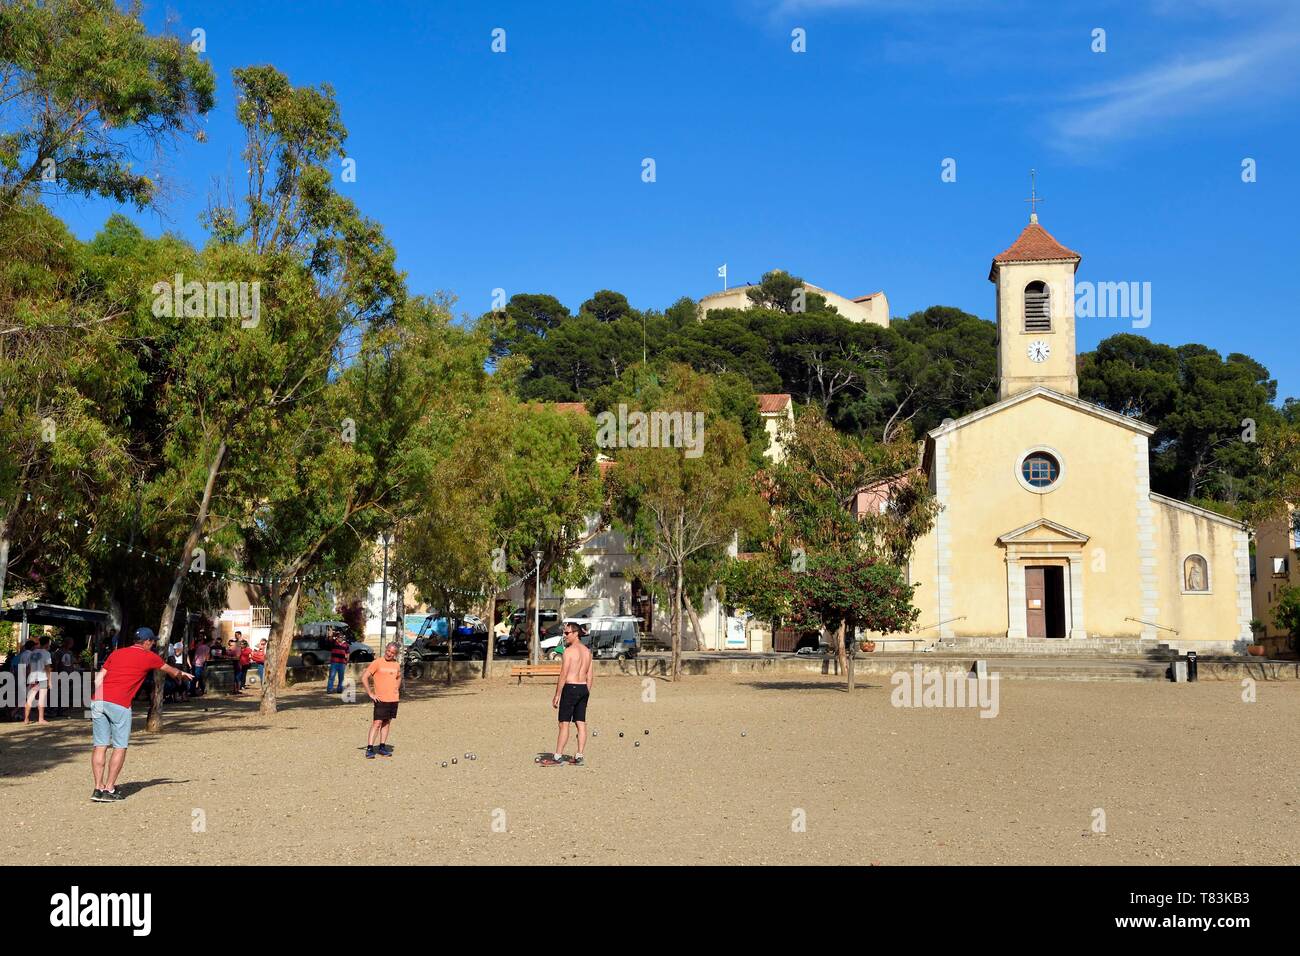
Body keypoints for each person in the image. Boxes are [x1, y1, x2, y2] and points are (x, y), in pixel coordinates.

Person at [90, 627, 193, 802]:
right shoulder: (148, 656)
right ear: (146, 642)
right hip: (120, 703)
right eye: (152, 641)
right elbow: (171, 670)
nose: (153, 644)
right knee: (119, 746)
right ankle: (109, 788)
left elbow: (98, 679)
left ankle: (97, 788)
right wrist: (183, 674)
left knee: (100, 745)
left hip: (98, 700)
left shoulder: (117, 653)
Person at [544, 623, 593, 766]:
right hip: (583, 688)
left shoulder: (569, 652)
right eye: (564, 633)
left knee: (563, 723)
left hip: (570, 688)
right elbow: (590, 676)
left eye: (567, 633)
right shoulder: (587, 652)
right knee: (581, 723)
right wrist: (586, 693)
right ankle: (579, 756)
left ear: (576, 633)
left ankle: (558, 756)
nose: (565, 636)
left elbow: (563, 674)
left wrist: (557, 694)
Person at [361, 643, 401, 759]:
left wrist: (395, 690)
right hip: (380, 699)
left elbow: (398, 677)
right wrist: (370, 693)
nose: (389, 654)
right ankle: (369, 748)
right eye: (388, 651)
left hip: (393, 699)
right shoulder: (377, 662)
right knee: (377, 723)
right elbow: (364, 678)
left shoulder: (396, 665)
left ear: (396, 654)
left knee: (387, 722)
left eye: (392, 652)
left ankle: (382, 747)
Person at [22, 637, 52, 724]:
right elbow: (47, 668)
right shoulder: (46, 653)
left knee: (30, 699)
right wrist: (50, 680)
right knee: (41, 699)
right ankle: (41, 719)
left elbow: (29, 667)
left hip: (32, 677)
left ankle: (26, 719)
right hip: (42, 678)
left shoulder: (33, 653)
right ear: (47, 643)